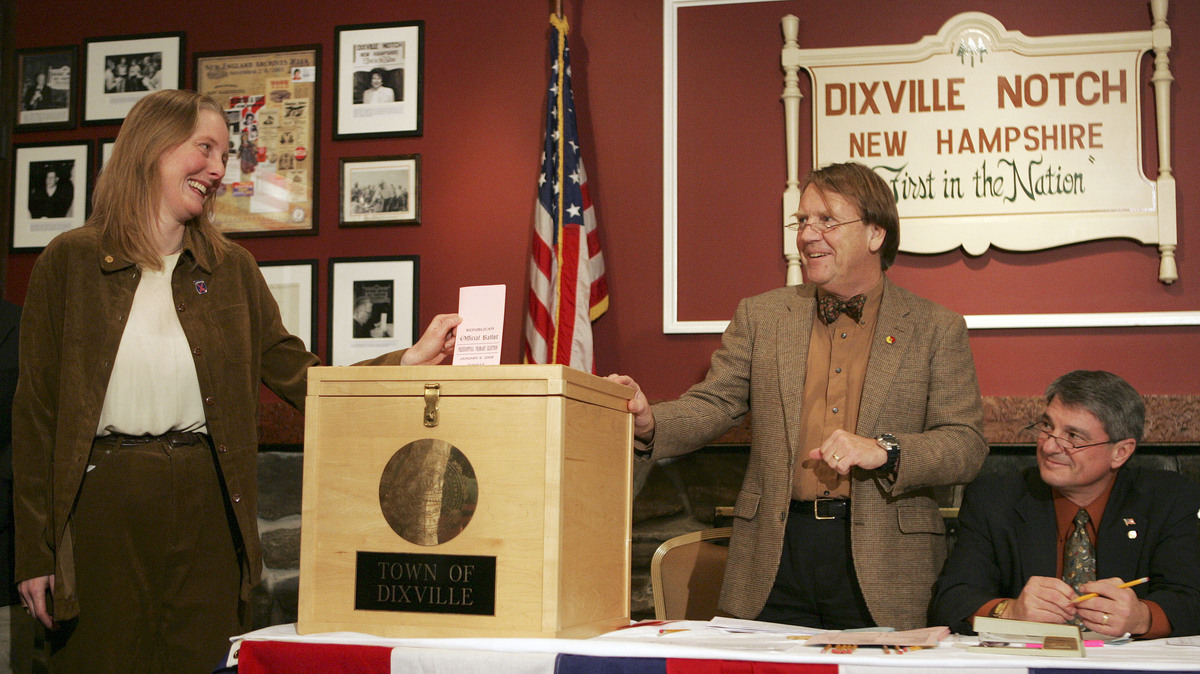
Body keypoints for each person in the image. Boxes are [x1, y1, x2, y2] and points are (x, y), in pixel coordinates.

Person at [12, 89, 461, 674]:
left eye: (224, 155)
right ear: (151, 147)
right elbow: (36, 414)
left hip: (207, 504)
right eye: (205, 148)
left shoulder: (234, 272)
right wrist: (34, 551)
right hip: (103, 504)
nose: (218, 169)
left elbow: (301, 375)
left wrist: (403, 365)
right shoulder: (67, 262)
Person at [609, 161, 987, 630]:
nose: (808, 234)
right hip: (774, 559)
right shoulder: (762, 316)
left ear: (875, 235)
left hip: (886, 565)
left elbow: (965, 444)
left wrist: (883, 450)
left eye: (827, 220)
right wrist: (650, 423)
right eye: (802, 220)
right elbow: (714, 403)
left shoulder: (935, 327)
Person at [930, 370, 1200, 638]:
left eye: (1073, 437)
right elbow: (952, 598)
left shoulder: (1168, 499)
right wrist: (1009, 612)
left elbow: (1191, 598)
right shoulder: (995, 498)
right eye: (1047, 427)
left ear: (1120, 452)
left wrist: (1143, 617)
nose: (1049, 447)